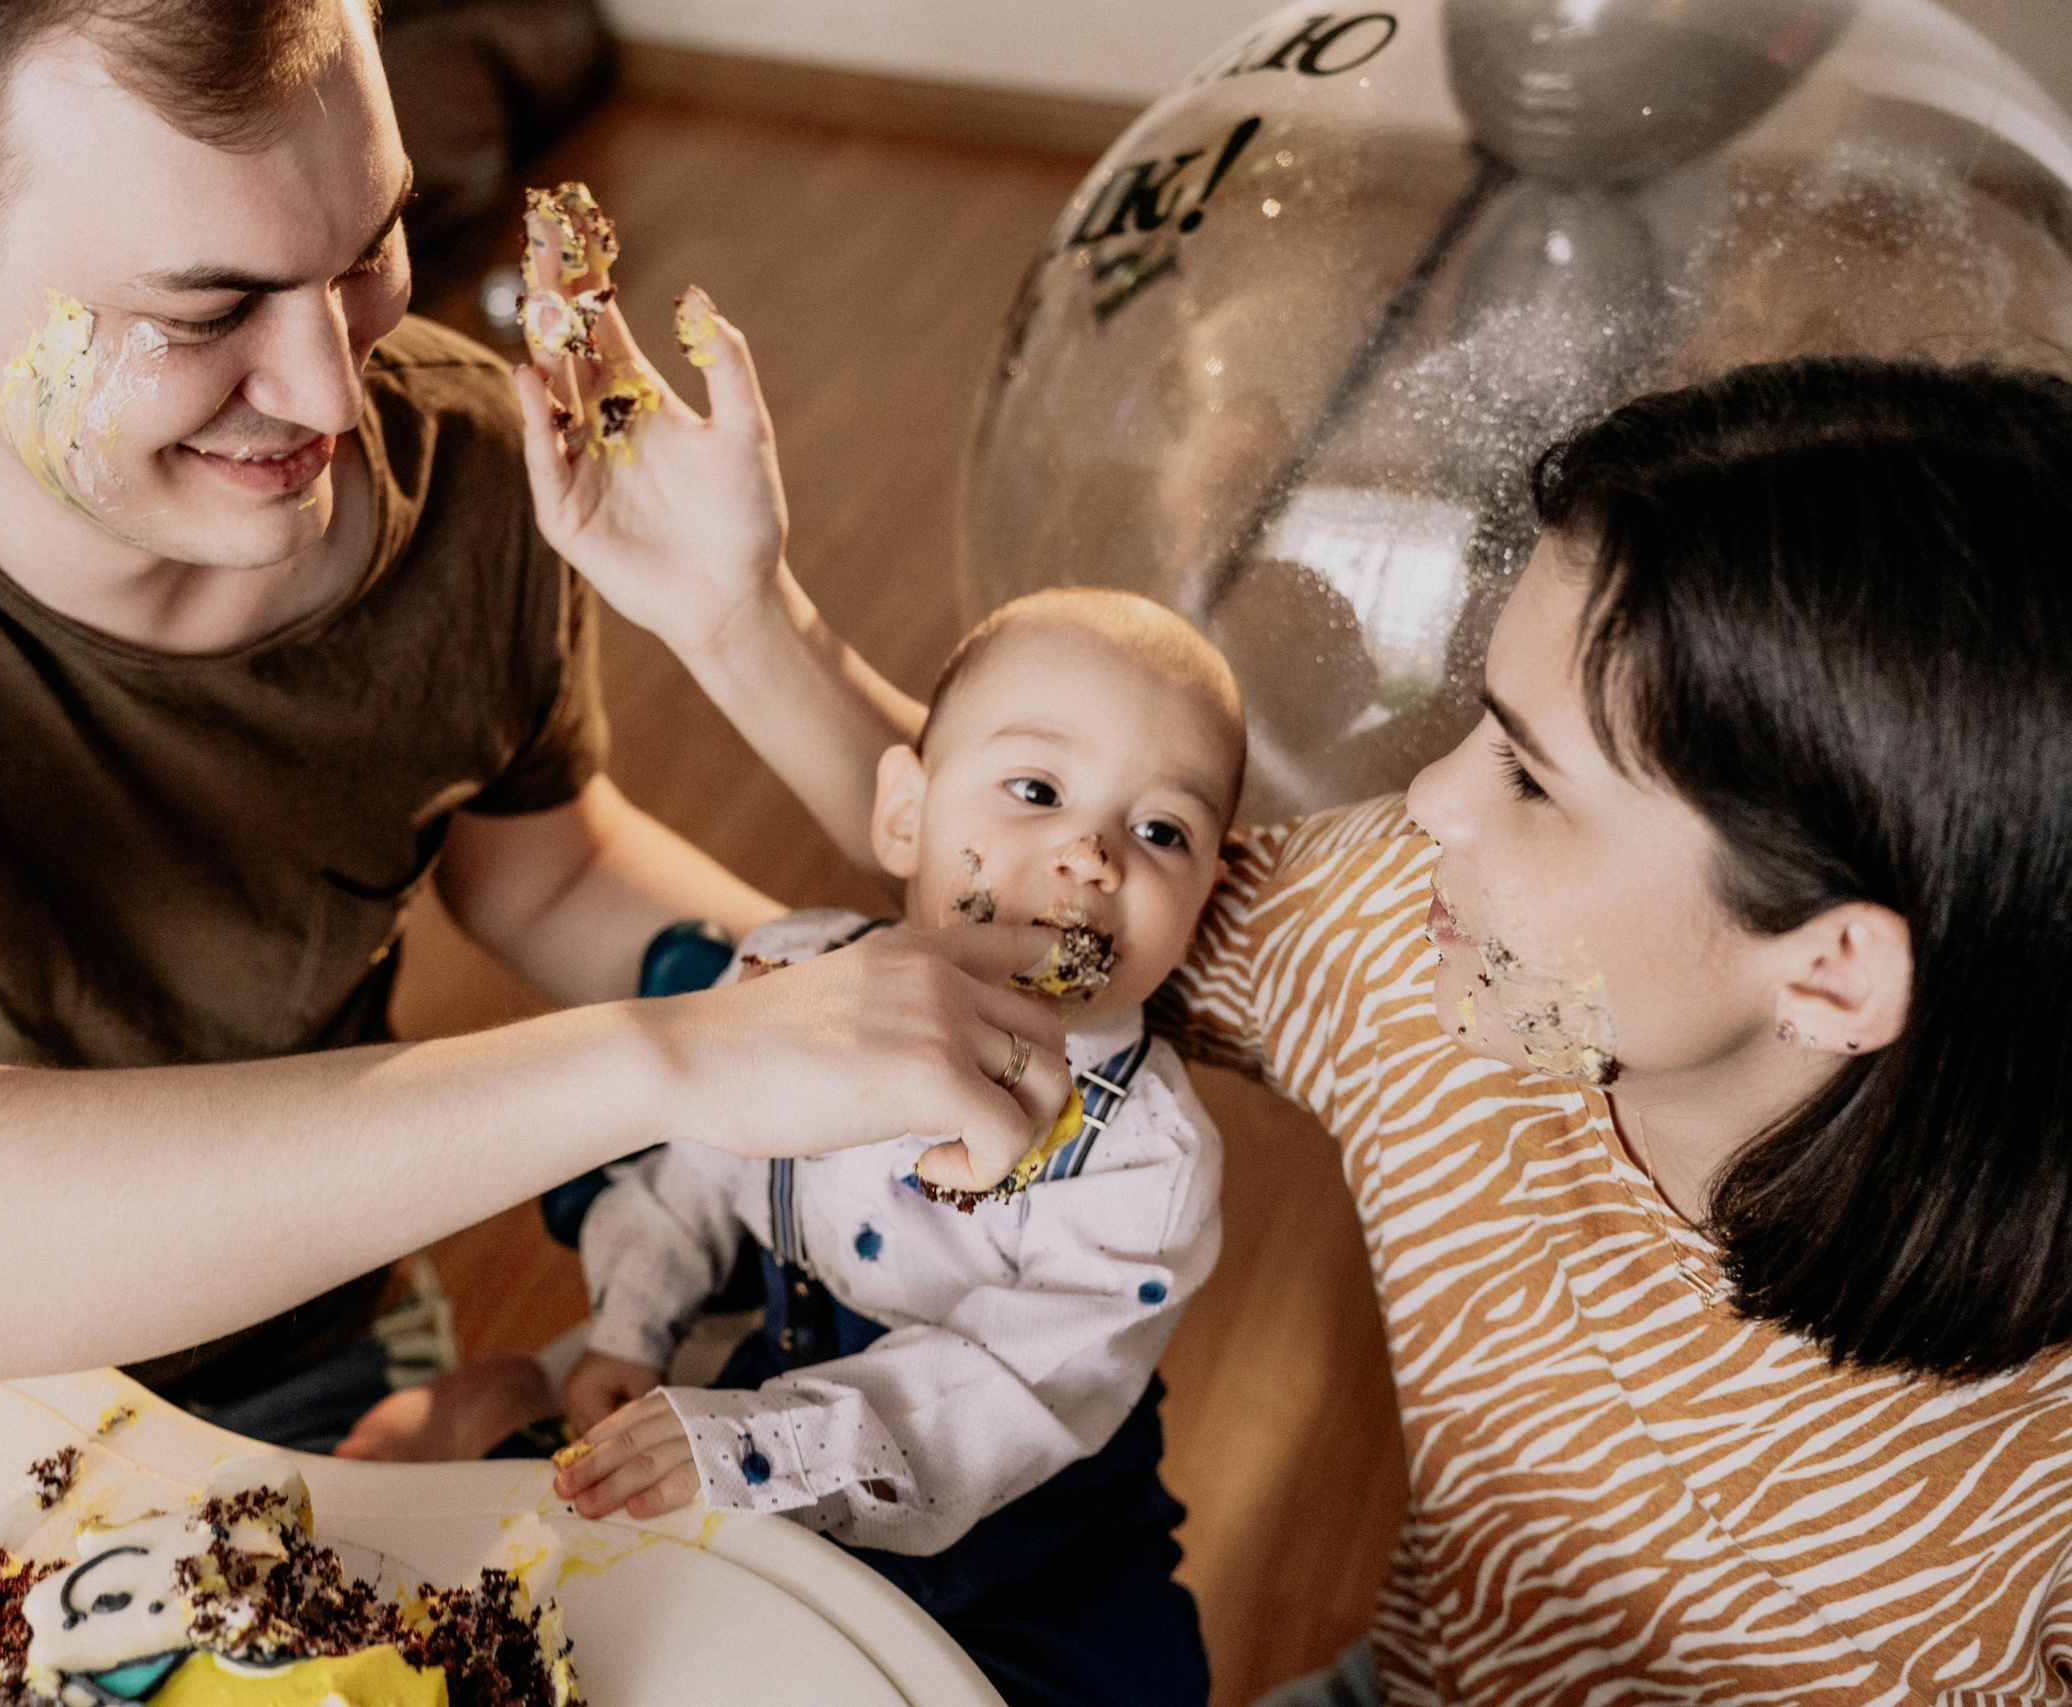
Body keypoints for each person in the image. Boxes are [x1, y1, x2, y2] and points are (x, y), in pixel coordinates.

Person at [0, 0, 1076, 1442]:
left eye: (370, 242)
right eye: (205, 310)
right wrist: (679, 1059)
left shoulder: (459, 457)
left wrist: (773, 713)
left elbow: (549, 867)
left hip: (282, 1367)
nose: (334, 393)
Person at [516, 304, 2072, 1697]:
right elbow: (1038, 890)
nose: (1431, 801)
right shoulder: (1445, 964)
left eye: (1534, 778)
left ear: (1832, 968)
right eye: (1482, 725)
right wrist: (735, 612)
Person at [522, 588, 1239, 1707]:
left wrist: (755, 1444)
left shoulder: (1146, 1161)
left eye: (1162, 832)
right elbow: (700, 1169)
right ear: (904, 816)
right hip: (772, 1450)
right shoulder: (794, 980)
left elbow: (1005, 1392)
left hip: (1027, 1559)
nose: (1095, 854)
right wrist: (633, 1322)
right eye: (1037, 790)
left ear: (1202, 901)